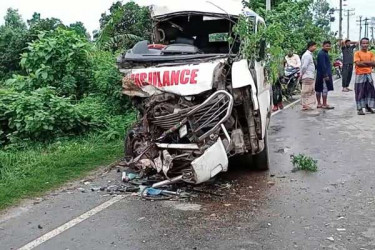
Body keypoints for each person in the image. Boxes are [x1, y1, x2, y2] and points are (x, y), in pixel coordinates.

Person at [353, 37, 375, 115]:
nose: (365, 45)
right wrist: (369, 63)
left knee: (370, 91)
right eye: (363, 43)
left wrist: (363, 62)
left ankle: (368, 107)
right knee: (359, 92)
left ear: (368, 44)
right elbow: (358, 63)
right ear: (361, 44)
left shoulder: (371, 53)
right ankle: (359, 109)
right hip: (360, 75)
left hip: (369, 75)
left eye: (366, 43)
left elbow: (374, 63)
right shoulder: (357, 53)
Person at [316, 41, 334, 109]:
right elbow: (323, 65)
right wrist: (326, 75)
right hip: (323, 75)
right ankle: (324, 104)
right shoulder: (322, 54)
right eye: (326, 46)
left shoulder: (324, 53)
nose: (328, 47)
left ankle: (319, 103)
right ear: (323, 46)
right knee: (324, 89)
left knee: (319, 88)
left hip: (320, 74)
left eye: (329, 46)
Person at [300, 41, 317, 110]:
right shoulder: (307, 55)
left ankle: (306, 104)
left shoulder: (309, 55)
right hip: (307, 76)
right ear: (310, 47)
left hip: (309, 75)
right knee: (306, 91)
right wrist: (302, 74)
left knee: (309, 90)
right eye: (314, 46)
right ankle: (305, 104)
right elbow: (304, 66)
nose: (315, 48)